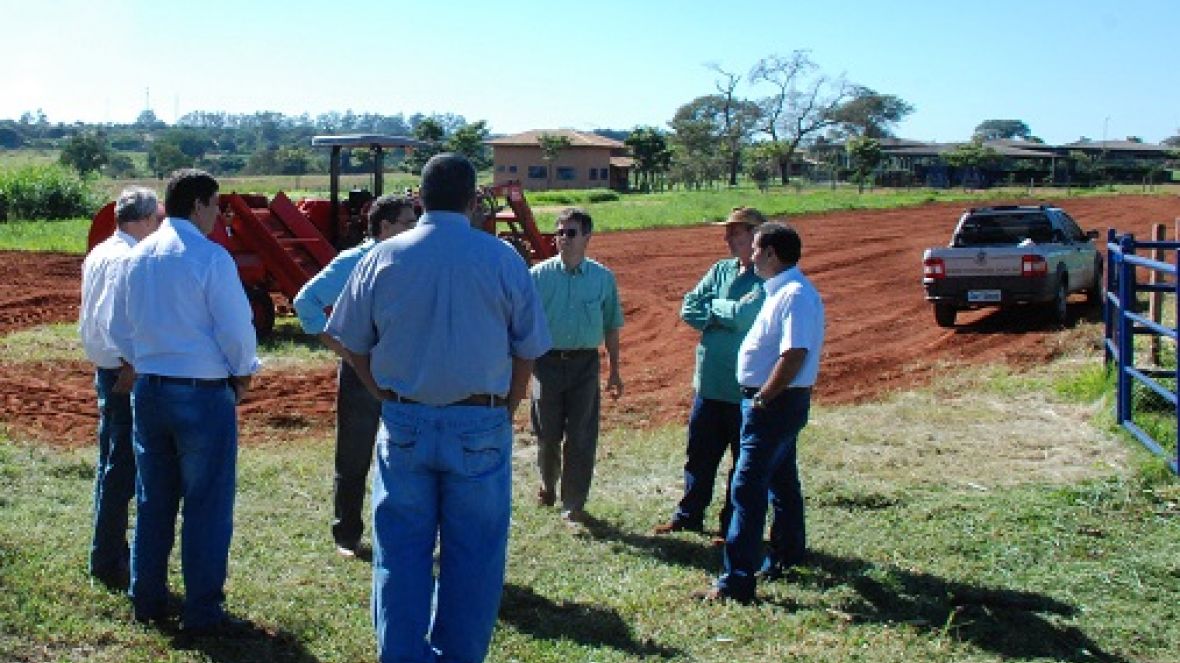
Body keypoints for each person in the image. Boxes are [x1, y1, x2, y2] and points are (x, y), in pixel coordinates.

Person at [325, 153, 550, 663]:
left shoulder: (381, 258)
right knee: (474, 556)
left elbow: (348, 340)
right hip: (481, 419)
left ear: (418, 200)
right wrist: (508, 405)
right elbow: (528, 347)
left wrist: (378, 388)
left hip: (405, 419)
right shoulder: (502, 259)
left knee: (400, 553)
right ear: (474, 201)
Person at [108, 169, 260, 634]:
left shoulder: (136, 258)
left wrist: (147, 358)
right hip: (201, 394)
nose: (217, 216)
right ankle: (202, 611)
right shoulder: (210, 258)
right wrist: (243, 373)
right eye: (216, 206)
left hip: (150, 390)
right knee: (206, 505)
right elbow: (236, 330)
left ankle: (147, 598)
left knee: (154, 500)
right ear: (198, 205)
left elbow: (119, 329)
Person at [700, 221, 824, 604]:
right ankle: (786, 554)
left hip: (773, 405)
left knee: (747, 488)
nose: (750, 255)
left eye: (755, 248)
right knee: (782, 481)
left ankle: (736, 581)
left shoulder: (794, 295)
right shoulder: (782, 290)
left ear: (771, 253)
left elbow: (794, 353)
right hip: (774, 403)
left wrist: (763, 397)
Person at [293, 194, 418, 558]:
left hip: (404, 370)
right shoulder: (354, 261)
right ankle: (347, 534)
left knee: (402, 453)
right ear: (384, 227)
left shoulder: (413, 259)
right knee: (354, 454)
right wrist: (343, 349)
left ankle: (397, 532)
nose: (415, 229)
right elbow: (306, 301)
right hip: (362, 373)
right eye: (408, 223)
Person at [653, 207, 766, 539]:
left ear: (755, 236)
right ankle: (689, 514)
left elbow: (746, 316)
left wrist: (715, 309)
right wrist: (724, 314)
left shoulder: (765, 278)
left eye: (735, 232)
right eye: (728, 232)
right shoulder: (720, 270)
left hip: (745, 388)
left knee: (741, 464)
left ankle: (730, 525)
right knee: (699, 457)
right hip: (709, 383)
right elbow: (689, 307)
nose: (727, 238)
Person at [79, 186, 163, 589]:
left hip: (104, 368)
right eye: (159, 220)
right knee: (122, 470)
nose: (161, 227)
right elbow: (118, 320)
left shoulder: (100, 252)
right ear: (145, 220)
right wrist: (131, 366)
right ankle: (110, 557)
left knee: (109, 464)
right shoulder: (129, 259)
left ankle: (105, 550)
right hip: (122, 372)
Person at [529, 207, 624, 525]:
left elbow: (611, 325)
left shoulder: (603, 278)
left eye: (570, 233)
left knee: (582, 436)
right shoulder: (537, 276)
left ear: (587, 237)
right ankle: (548, 484)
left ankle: (574, 503)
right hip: (546, 363)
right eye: (559, 232)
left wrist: (614, 371)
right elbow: (524, 324)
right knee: (547, 434)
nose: (562, 239)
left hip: (585, 364)